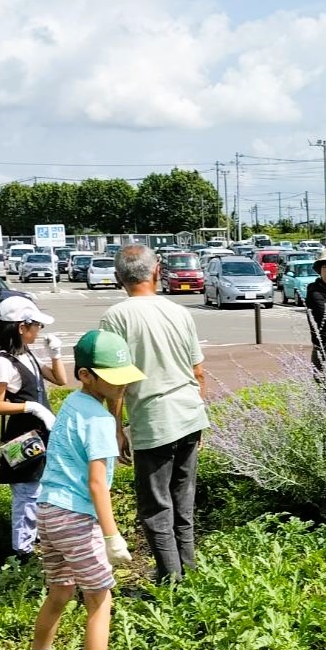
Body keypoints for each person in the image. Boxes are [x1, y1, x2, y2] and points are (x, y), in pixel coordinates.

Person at [15, 329, 145, 650]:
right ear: (86, 374)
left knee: (60, 589)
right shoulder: (100, 422)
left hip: (49, 511)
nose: (120, 382)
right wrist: (112, 535)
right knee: (100, 600)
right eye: (113, 375)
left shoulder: (73, 404)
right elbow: (95, 484)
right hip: (77, 517)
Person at [100, 246, 210, 585]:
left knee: (155, 508)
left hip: (153, 420)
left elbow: (115, 383)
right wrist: (199, 414)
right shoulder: (179, 312)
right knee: (182, 500)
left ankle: (170, 582)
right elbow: (199, 372)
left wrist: (117, 429)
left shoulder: (115, 317)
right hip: (190, 415)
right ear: (157, 271)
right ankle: (187, 574)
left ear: (119, 278)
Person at [0, 297, 67, 561]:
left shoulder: (27, 354)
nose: (39, 330)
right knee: (26, 496)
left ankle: (36, 544)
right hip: (22, 438)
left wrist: (56, 355)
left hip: (40, 435)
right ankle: (21, 553)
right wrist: (31, 408)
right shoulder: (4, 363)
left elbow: (60, 379)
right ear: (22, 327)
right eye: (37, 326)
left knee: (41, 491)